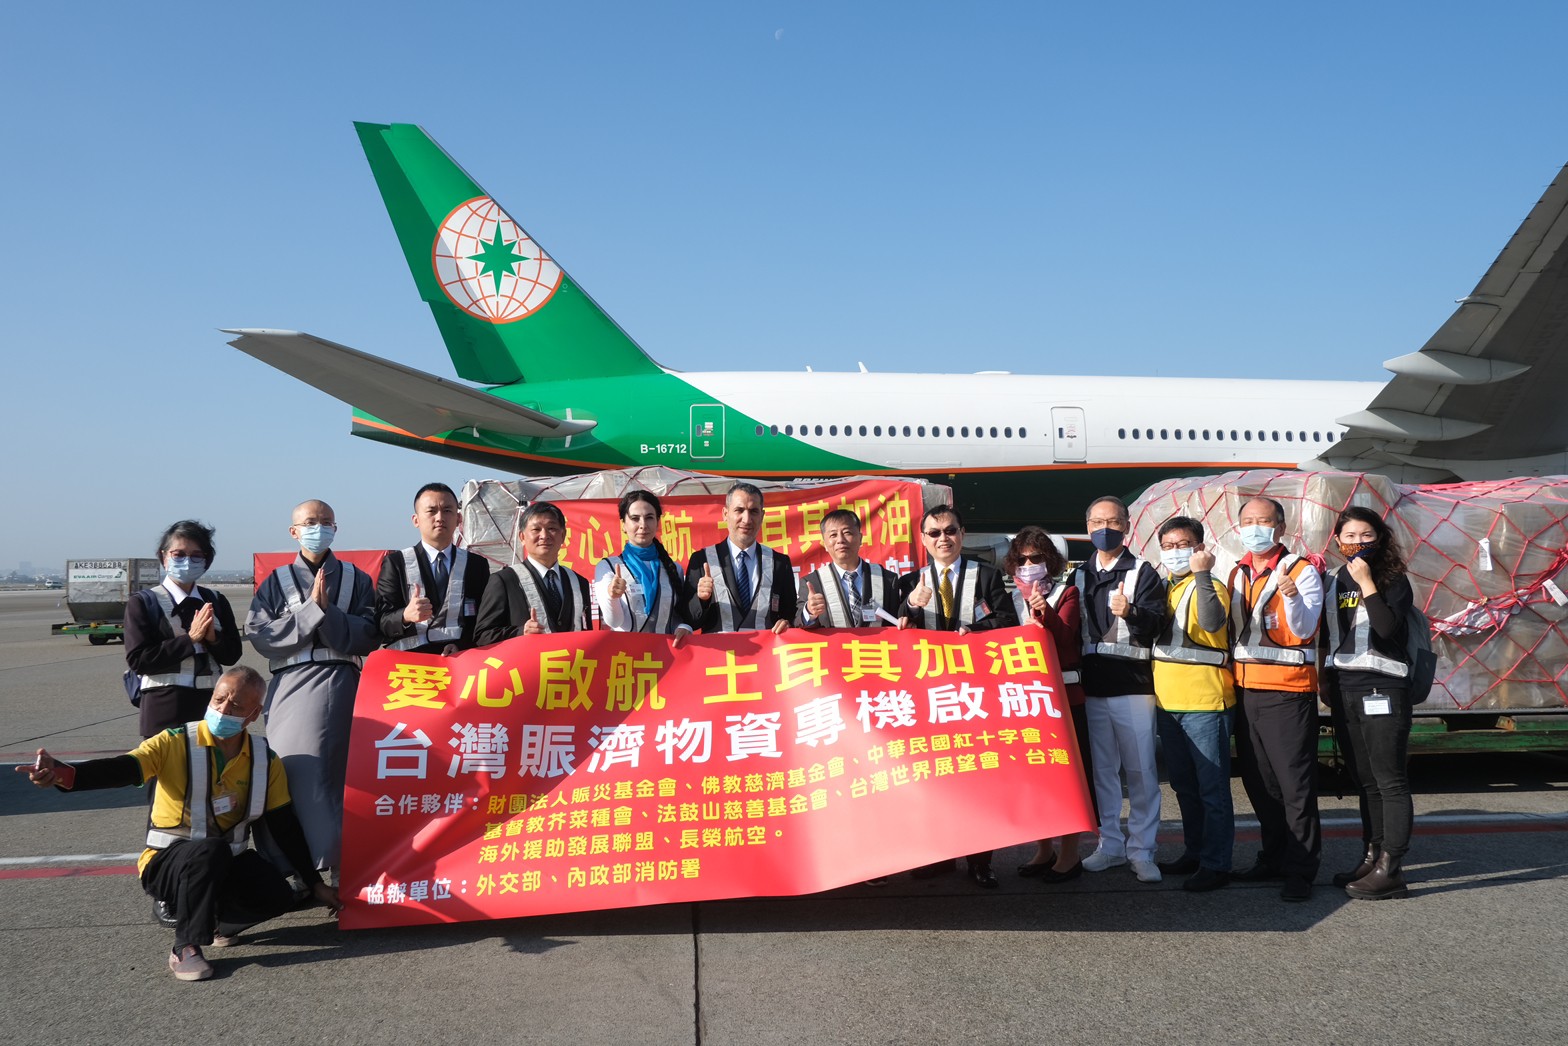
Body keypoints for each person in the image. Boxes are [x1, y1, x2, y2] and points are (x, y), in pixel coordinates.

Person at [15, 667, 341, 982]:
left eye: (236, 705)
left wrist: (314, 884)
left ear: (253, 714)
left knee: (278, 895)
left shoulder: (263, 759)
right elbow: (122, 769)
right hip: (166, 862)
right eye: (219, 699)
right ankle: (184, 945)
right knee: (208, 852)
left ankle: (214, 923)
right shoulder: (174, 742)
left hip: (223, 860)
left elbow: (284, 826)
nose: (224, 709)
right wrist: (62, 774)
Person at [245, 499, 379, 876]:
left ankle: (345, 865)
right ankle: (297, 870)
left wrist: (326, 611)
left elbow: (369, 633)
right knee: (292, 775)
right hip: (291, 685)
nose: (317, 528)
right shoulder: (276, 581)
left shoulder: (357, 578)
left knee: (345, 777)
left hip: (344, 682)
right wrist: (311, 611)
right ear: (294, 531)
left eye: (325, 521)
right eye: (309, 522)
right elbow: (260, 634)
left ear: (336, 527)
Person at [897, 504, 1018, 888]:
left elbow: (1006, 622)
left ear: (962, 534)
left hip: (974, 695)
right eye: (934, 533)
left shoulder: (985, 575)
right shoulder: (911, 581)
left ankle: (981, 859)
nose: (943, 538)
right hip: (928, 695)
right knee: (934, 778)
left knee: (977, 777)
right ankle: (940, 856)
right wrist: (910, 607)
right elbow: (896, 626)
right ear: (923, 539)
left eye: (950, 531)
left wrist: (975, 631)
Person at [1228, 496, 1325, 902]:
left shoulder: (1301, 572)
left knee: (1294, 785)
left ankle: (1302, 868)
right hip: (1245, 690)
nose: (1255, 528)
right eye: (1248, 521)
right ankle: (1273, 855)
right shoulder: (1236, 573)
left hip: (1287, 692)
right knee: (1259, 782)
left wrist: (1289, 596)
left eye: (1263, 521)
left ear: (1280, 528)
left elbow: (1304, 630)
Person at [1322, 506, 1416, 900]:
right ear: (1338, 541)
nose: (1357, 543)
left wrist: (1367, 583)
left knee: (1389, 779)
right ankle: (1372, 853)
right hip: (1345, 688)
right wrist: (1326, 682)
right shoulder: (1332, 580)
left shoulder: (1393, 579)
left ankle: (1392, 867)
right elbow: (1328, 636)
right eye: (1349, 536)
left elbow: (1387, 629)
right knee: (1365, 781)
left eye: (1365, 535)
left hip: (1384, 689)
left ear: (1380, 538)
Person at [1075, 495, 1167, 884]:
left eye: (1111, 521)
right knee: (1103, 773)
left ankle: (1143, 849)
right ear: (1087, 528)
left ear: (1127, 526)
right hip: (1094, 687)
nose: (1103, 529)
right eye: (1096, 522)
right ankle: (1109, 844)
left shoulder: (1142, 571)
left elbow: (1157, 624)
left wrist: (1131, 612)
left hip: (1133, 687)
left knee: (1142, 771)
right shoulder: (1080, 574)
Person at [1002, 527, 1093, 885]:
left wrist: (1045, 612)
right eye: (1021, 559)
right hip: (1027, 702)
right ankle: (1044, 848)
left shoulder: (1066, 593)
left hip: (1065, 699)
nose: (1028, 565)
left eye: (1036, 558)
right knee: (1037, 779)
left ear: (1050, 561)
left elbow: (1067, 640)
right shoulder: (1011, 599)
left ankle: (1070, 855)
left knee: (1068, 778)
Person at [1150, 516, 1236, 892]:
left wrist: (1202, 574)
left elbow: (1215, 623)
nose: (1174, 552)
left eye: (1182, 545)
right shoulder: (1166, 587)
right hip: (1168, 702)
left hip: (1206, 701)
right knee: (1183, 786)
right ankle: (1195, 851)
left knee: (1211, 789)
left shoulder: (1211, 586)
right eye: (1167, 546)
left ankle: (1217, 863)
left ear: (1199, 548)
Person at [124, 520, 243, 737]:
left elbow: (232, 655)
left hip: (210, 707)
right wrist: (191, 639)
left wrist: (213, 639)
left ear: (206, 561)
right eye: (178, 554)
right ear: (164, 557)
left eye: (196, 555)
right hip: (164, 707)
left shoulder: (216, 600)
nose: (187, 561)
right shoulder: (143, 603)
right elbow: (138, 660)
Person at [376, 482, 491, 654]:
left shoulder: (476, 565)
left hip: (461, 664)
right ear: (416, 520)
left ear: (458, 519)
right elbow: (380, 621)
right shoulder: (396, 563)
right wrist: (405, 616)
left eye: (447, 510)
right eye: (431, 511)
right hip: (413, 667)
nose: (440, 517)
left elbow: (485, 620)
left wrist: (463, 645)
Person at [682, 483, 797, 635]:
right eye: (739, 510)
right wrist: (702, 599)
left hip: (765, 656)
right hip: (719, 657)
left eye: (753, 511)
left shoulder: (779, 563)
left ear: (762, 516)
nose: (747, 519)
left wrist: (787, 623)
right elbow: (689, 620)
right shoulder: (701, 560)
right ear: (725, 514)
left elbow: (790, 614)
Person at [475, 501, 593, 642]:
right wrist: (520, 632)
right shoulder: (504, 581)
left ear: (563, 536)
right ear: (522, 537)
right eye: (536, 530)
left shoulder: (579, 582)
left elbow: (587, 632)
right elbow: (482, 635)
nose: (544, 535)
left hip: (571, 662)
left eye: (552, 528)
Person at [593, 490, 691, 635]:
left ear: (658, 521)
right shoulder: (609, 567)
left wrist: (684, 627)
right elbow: (614, 622)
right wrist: (612, 597)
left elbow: (676, 616)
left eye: (649, 517)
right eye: (635, 518)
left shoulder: (674, 568)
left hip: (666, 654)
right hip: (627, 655)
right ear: (623, 524)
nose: (643, 525)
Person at [798, 509, 899, 629]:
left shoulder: (887, 579)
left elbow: (897, 622)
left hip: (877, 647)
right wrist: (809, 612)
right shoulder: (812, 582)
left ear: (860, 538)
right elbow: (797, 623)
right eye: (833, 535)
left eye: (847, 533)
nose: (840, 540)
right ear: (825, 543)